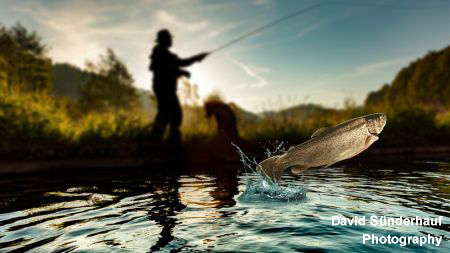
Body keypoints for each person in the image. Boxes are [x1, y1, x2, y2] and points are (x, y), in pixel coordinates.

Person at [149, 29, 208, 143]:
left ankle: (159, 138)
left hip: (163, 88)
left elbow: (180, 63)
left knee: (165, 112)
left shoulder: (163, 53)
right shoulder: (161, 53)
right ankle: (169, 139)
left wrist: (197, 58)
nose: (171, 40)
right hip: (164, 88)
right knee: (174, 113)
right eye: (169, 38)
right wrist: (181, 72)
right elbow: (165, 69)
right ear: (164, 40)